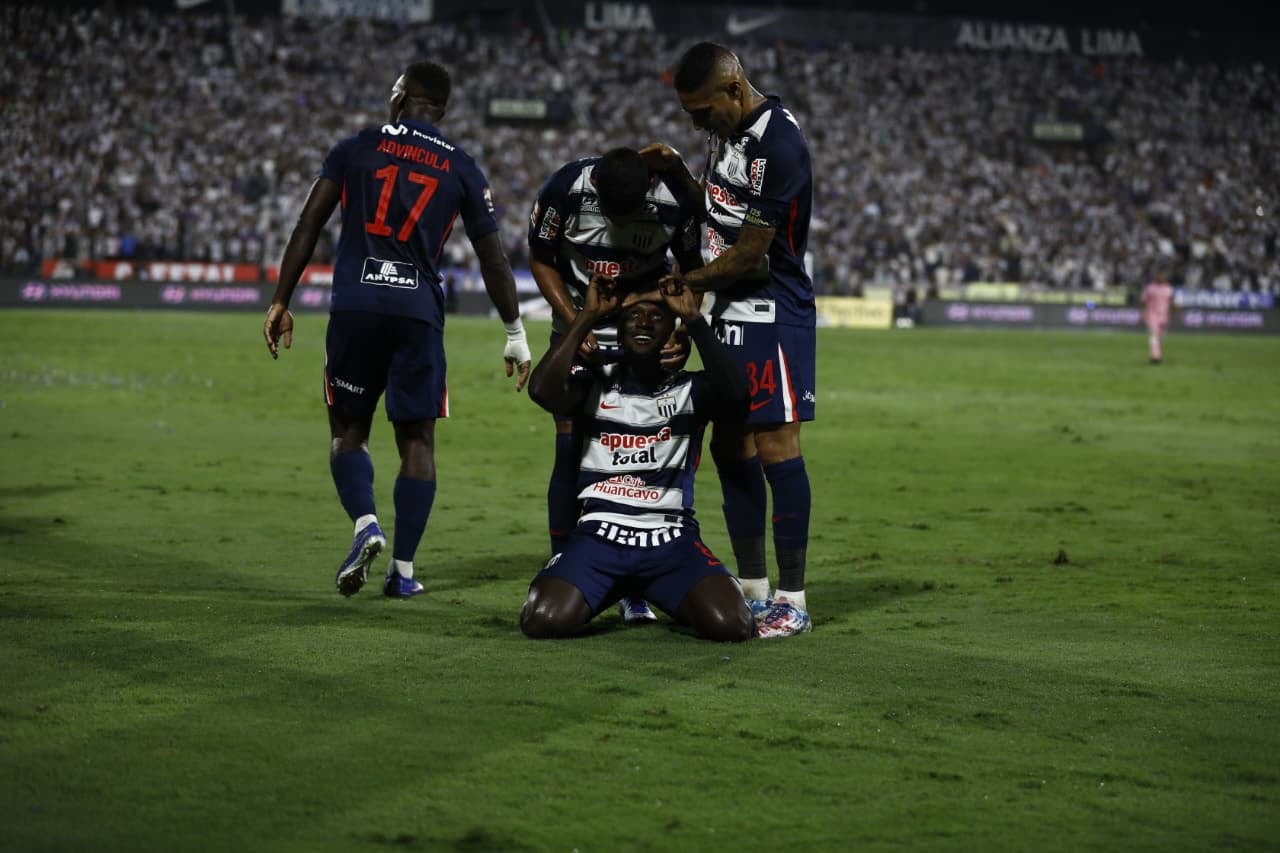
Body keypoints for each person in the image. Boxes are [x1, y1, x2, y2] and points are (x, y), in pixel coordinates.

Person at [262, 60, 531, 598]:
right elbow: (493, 258)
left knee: (347, 432)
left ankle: (366, 525)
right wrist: (515, 332)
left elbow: (309, 222)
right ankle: (403, 573)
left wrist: (280, 300)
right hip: (418, 313)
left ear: (401, 96)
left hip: (357, 304)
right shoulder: (462, 167)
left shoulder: (356, 146)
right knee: (417, 440)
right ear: (443, 109)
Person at [642, 41, 816, 638]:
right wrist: (677, 173)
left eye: (700, 111)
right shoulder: (732, 136)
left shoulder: (778, 145)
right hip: (727, 307)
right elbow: (720, 216)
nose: (695, 122)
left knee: (775, 444)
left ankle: (792, 601)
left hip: (772, 309)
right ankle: (753, 588)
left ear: (734, 91)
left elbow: (750, 253)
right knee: (729, 445)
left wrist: (680, 283)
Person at [520, 276, 754, 641]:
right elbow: (540, 390)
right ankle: (619, 587)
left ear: (671, 332)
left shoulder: (691, 389)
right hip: (599, 537)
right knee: (542, 620)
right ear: (618, 326)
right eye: (634, 316)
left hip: (670, 539)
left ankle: (651, 588)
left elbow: (739, 397)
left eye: (656, 317)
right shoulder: (593, 385)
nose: (644, 322)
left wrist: (693, 319)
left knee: (733, 625)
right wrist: (585, 317)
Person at [528, 146, 704, 624]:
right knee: (572, 443)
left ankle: (640, 579)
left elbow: (693, 271)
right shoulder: (565, 188)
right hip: (582, 322)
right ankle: (565, 559)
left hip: (645, 331)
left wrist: (683, 329)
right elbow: (540, 259)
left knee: (646, 441)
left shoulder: (672, 201)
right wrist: (574, 323)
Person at [1142, 269, 1176, 363]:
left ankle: (1157, 352)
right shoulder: (1150, 288)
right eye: (1159, 276)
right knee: (1154, 334)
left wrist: (1177, 310)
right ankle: (1155, 356)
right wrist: (1143, 313)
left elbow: (1172, 301)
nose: (1160, 278)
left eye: (1162, 276)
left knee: (1161, 336)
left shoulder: (1169, 289)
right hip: (1152, 314)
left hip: (1164, 316)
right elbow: (1144, 301)